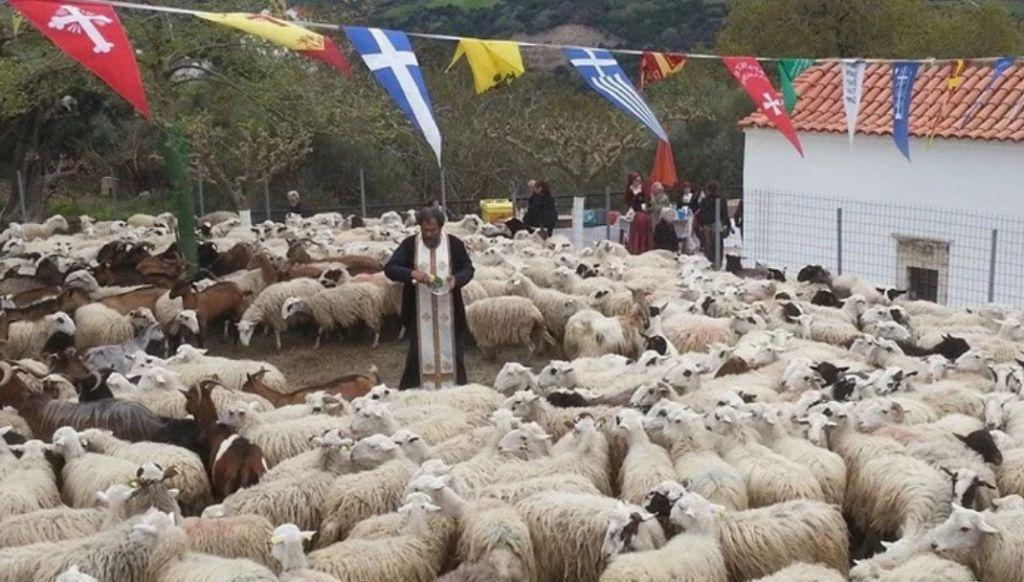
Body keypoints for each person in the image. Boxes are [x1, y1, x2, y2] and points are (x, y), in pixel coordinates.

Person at [385, 207, 475, 389]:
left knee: (454, 355)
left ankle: (456, 392)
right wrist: (411, 272)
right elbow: (390, 268)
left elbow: (468, 269)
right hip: (418, 314)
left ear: (441, 227)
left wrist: (456, 279)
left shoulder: (454, 244)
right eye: (425, 230)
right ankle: (415, 396)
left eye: (433, 231)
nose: (428, 235)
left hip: (450, 312)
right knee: (417, 355)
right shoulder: (410, 245)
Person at [699, 181, 731, 267]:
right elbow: (725, 214)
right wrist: (728, 225)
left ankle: (709, 264)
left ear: (708, 190)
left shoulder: (704, 201)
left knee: (708, 247)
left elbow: (701, 215)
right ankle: (718, 264)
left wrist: (701, 225)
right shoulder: (721, 200)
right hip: (718, 226)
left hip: (707, 227)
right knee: (718, 247)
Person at [624, 172, 652, 255]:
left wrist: (646, 207)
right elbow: (628, 201)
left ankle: (645, 247)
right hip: (634, 212)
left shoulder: (642, 189)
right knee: (637, 224)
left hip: (643, 211)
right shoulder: (630, 190)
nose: (638, 182)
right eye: (636, 180)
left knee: (645, 221)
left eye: (639, 180)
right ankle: (635, 248)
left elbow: (647, 200)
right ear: (632, 181)